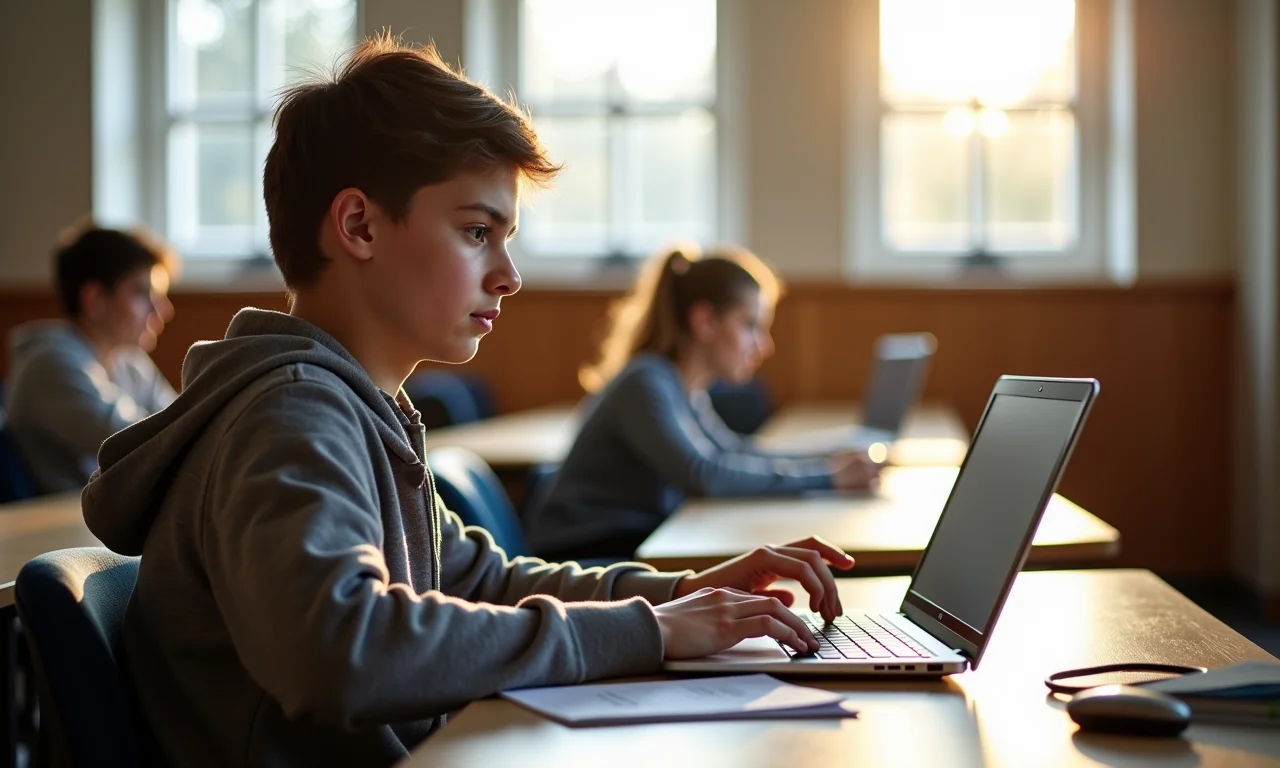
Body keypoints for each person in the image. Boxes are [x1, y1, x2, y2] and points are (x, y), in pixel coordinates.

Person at [81, 36, 857, 767]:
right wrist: (648, 630)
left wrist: (683, 594)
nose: (508, 276)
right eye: (478, 232)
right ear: (359, 226)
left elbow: (480, 582)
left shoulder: (357, 409)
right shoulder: (290, 417)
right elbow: (341, 651)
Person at [525, 243, 880, 561]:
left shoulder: (684, 387)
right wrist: (829, 477)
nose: (764, 346)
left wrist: (832, 453)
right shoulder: (646, 381)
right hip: (584, 553)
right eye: (750, 325)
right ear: (705, 321)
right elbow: (704, 474)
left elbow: (733, 451)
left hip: (626, 539)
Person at [5, 223, 177, 493]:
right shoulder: (49, 363)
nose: (162, 310)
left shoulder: (130, 361)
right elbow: (136, 441)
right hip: (58, 515)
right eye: (141, 292)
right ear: (94, 298)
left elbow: (179, 423)